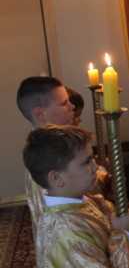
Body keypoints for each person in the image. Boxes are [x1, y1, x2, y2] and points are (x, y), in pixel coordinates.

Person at [24, 125, 129, 268]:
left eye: (92, 158)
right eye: (86, 162)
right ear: (57, 178)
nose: (95, 167)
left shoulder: (75, 200)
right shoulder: (66, 231)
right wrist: (125, 235)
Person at [17, 77, 111, 236]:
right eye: (64, 103)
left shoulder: (60, 144)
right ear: (40, 114)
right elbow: (55, 225)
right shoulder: (44, 161)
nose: (72, 106)